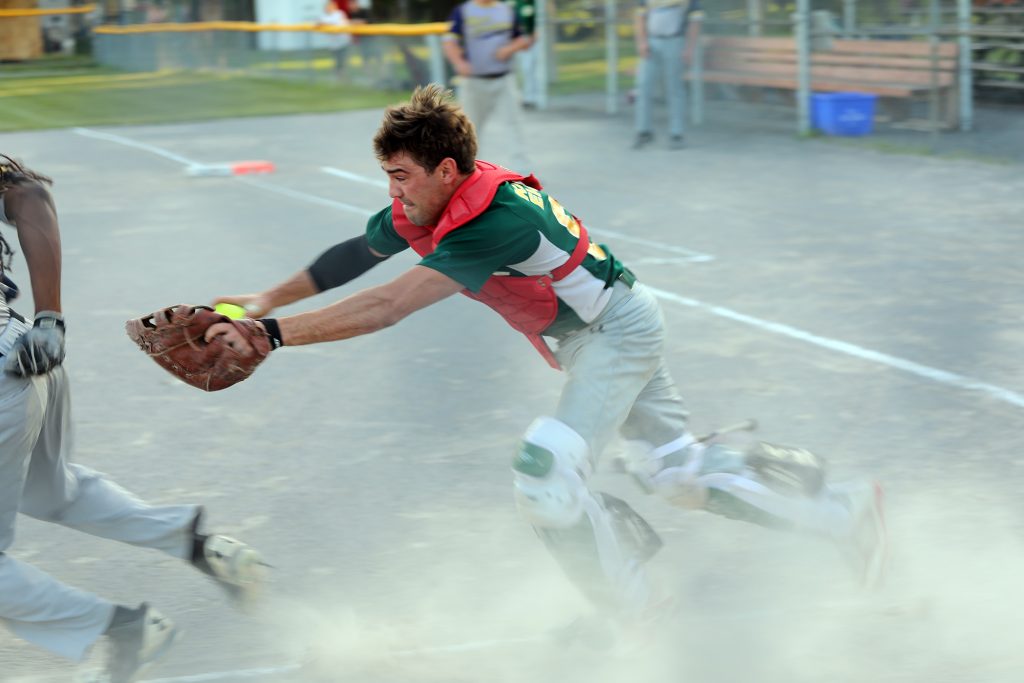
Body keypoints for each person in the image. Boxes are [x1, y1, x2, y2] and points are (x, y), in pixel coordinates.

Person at [210, 86, 887, 642]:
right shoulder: (431, 199)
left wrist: (271, 334)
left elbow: (390, 303)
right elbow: (358, 253)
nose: (394, 193)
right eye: (388, 176)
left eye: (401, 176)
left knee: (546, 471)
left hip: (614, 332)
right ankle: (843, 510)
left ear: (447, 170)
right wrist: (269, 297)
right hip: (606, 327)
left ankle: (638, 608)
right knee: (673, 470)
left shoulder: (492, 221)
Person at [0, 155, 265, 683]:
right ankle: (197, 545)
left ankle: (121, 630)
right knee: (51, 491)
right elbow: (26, 191)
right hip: (24, 349)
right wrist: (49, 319)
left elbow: (27, 193)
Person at [442, 0, 533, 173]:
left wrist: (509, 48)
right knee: (468, 129)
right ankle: (469, 172)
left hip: (504, 79)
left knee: (515, 126)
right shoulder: (464, 11)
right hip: (474, 81)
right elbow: (449, 41)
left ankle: (523, 171)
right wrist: (458, 62)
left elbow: (522, 38)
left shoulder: (506, 10)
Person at [633, 0, 703, 150]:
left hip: (675, 42)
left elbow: (695, 21)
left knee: (675, 88)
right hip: (651, 42)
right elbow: (640, 17)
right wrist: (642, 42)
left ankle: (676, 134)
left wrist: (689, 48)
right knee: (644, 85)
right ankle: (644, 131)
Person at [513, 0, 541, 110]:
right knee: (513, 71)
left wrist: (532, 36)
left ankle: (530, 98)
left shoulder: (532, 3)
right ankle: (516, 98)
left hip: (528, 39)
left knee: (528, 68)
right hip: (511, 40)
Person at [316, 0, 353, 80]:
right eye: (327, 6)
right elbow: (318, 24)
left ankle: (344, 77)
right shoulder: (323, 16)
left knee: (343, 60)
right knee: (337, 61)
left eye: (330, 6)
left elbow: (341, 25)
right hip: (333, 44)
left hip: (343, 41)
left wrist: (327, 25)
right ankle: (338, 77)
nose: (328, 8)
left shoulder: (339, 14)